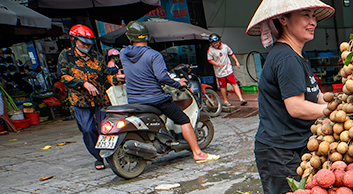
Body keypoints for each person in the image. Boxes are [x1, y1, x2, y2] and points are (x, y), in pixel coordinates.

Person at [245, 0, 334, 194]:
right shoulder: (286, 58)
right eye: (305, 15)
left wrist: (345, 104)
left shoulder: (298, 56)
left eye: (313, 16)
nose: (313, 22)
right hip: (279, 152)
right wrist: (334, 112)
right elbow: (296, 107)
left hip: (297, 146)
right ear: (283, 19)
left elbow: (316, 96)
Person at [119, 21, 218, 163]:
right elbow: (162, 77)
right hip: (155, 99)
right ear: (147, 37)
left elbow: (138, 71)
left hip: (134, 101)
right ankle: (198, 153)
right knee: (184, 120)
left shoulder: (123, 53)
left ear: (129, 38)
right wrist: (177, 83)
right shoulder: (154, 55)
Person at [57, 24, 119, 170]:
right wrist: (83, 84)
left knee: (106, 128)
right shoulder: (66, 55)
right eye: (83, 43)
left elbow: (105, 74)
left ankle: (111, 156)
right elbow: (63, 76)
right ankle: (98, 157)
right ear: (74, 40)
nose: (86, 46)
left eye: (88, 43)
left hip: (100, 98)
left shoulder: (97, 56)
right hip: (80, 100)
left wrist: (116, 73)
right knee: (87, 129)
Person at [206, 33, 246, 107]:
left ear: (219, 41)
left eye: (216, 42)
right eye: (213, 43)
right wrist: (218, 64)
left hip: (228, 69)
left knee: (234, 84)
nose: (215, 44)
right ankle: (225, 100)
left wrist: (237, 62)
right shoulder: (210, 50)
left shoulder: (225, 46)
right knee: (223, 87)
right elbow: (210, 60)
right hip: (219, 72)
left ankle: (241, 99)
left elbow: (231, 54)